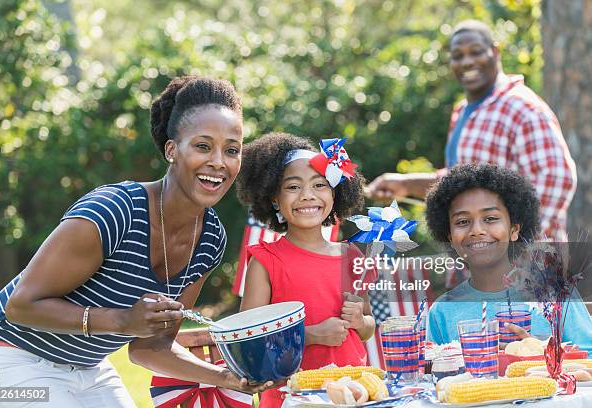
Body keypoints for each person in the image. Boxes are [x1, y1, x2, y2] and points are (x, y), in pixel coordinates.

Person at [0, 75, 272, 407]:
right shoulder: (114, 211)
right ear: (172, 150)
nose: (219, 162)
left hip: (88, 369)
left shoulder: (209, 240)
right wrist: (122, 321)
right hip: (2, 360)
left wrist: (227, 378)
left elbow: (151, 347)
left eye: (231, 150)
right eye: (203, 146)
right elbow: (20, 306)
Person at [366, 19, 577, 241]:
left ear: (495, 52)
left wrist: (513, 247)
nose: (467, 61)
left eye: (476, 52)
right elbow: (459, 182)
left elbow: (557, 178)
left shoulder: (522, 108)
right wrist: (404, 185)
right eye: (458, 56)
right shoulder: (463, 112)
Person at [236, 133, 377, 407]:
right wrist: (311, 335)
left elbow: (368, 326)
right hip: (290, 399)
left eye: (319, 184)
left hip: (354, 395)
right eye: (292, 187)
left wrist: (360, 321)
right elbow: (248, 341)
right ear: (274, 198)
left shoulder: (351, 257)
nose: (307, 195)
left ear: (334, 194)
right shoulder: (266, 261)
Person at [424, 163, 591, 354]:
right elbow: (434, 374)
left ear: (514, 230)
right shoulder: (442, 311)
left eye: (490, 219)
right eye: (463, 222)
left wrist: (545, 353)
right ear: (450, 238)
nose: (477, 230)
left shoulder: (557, 294)